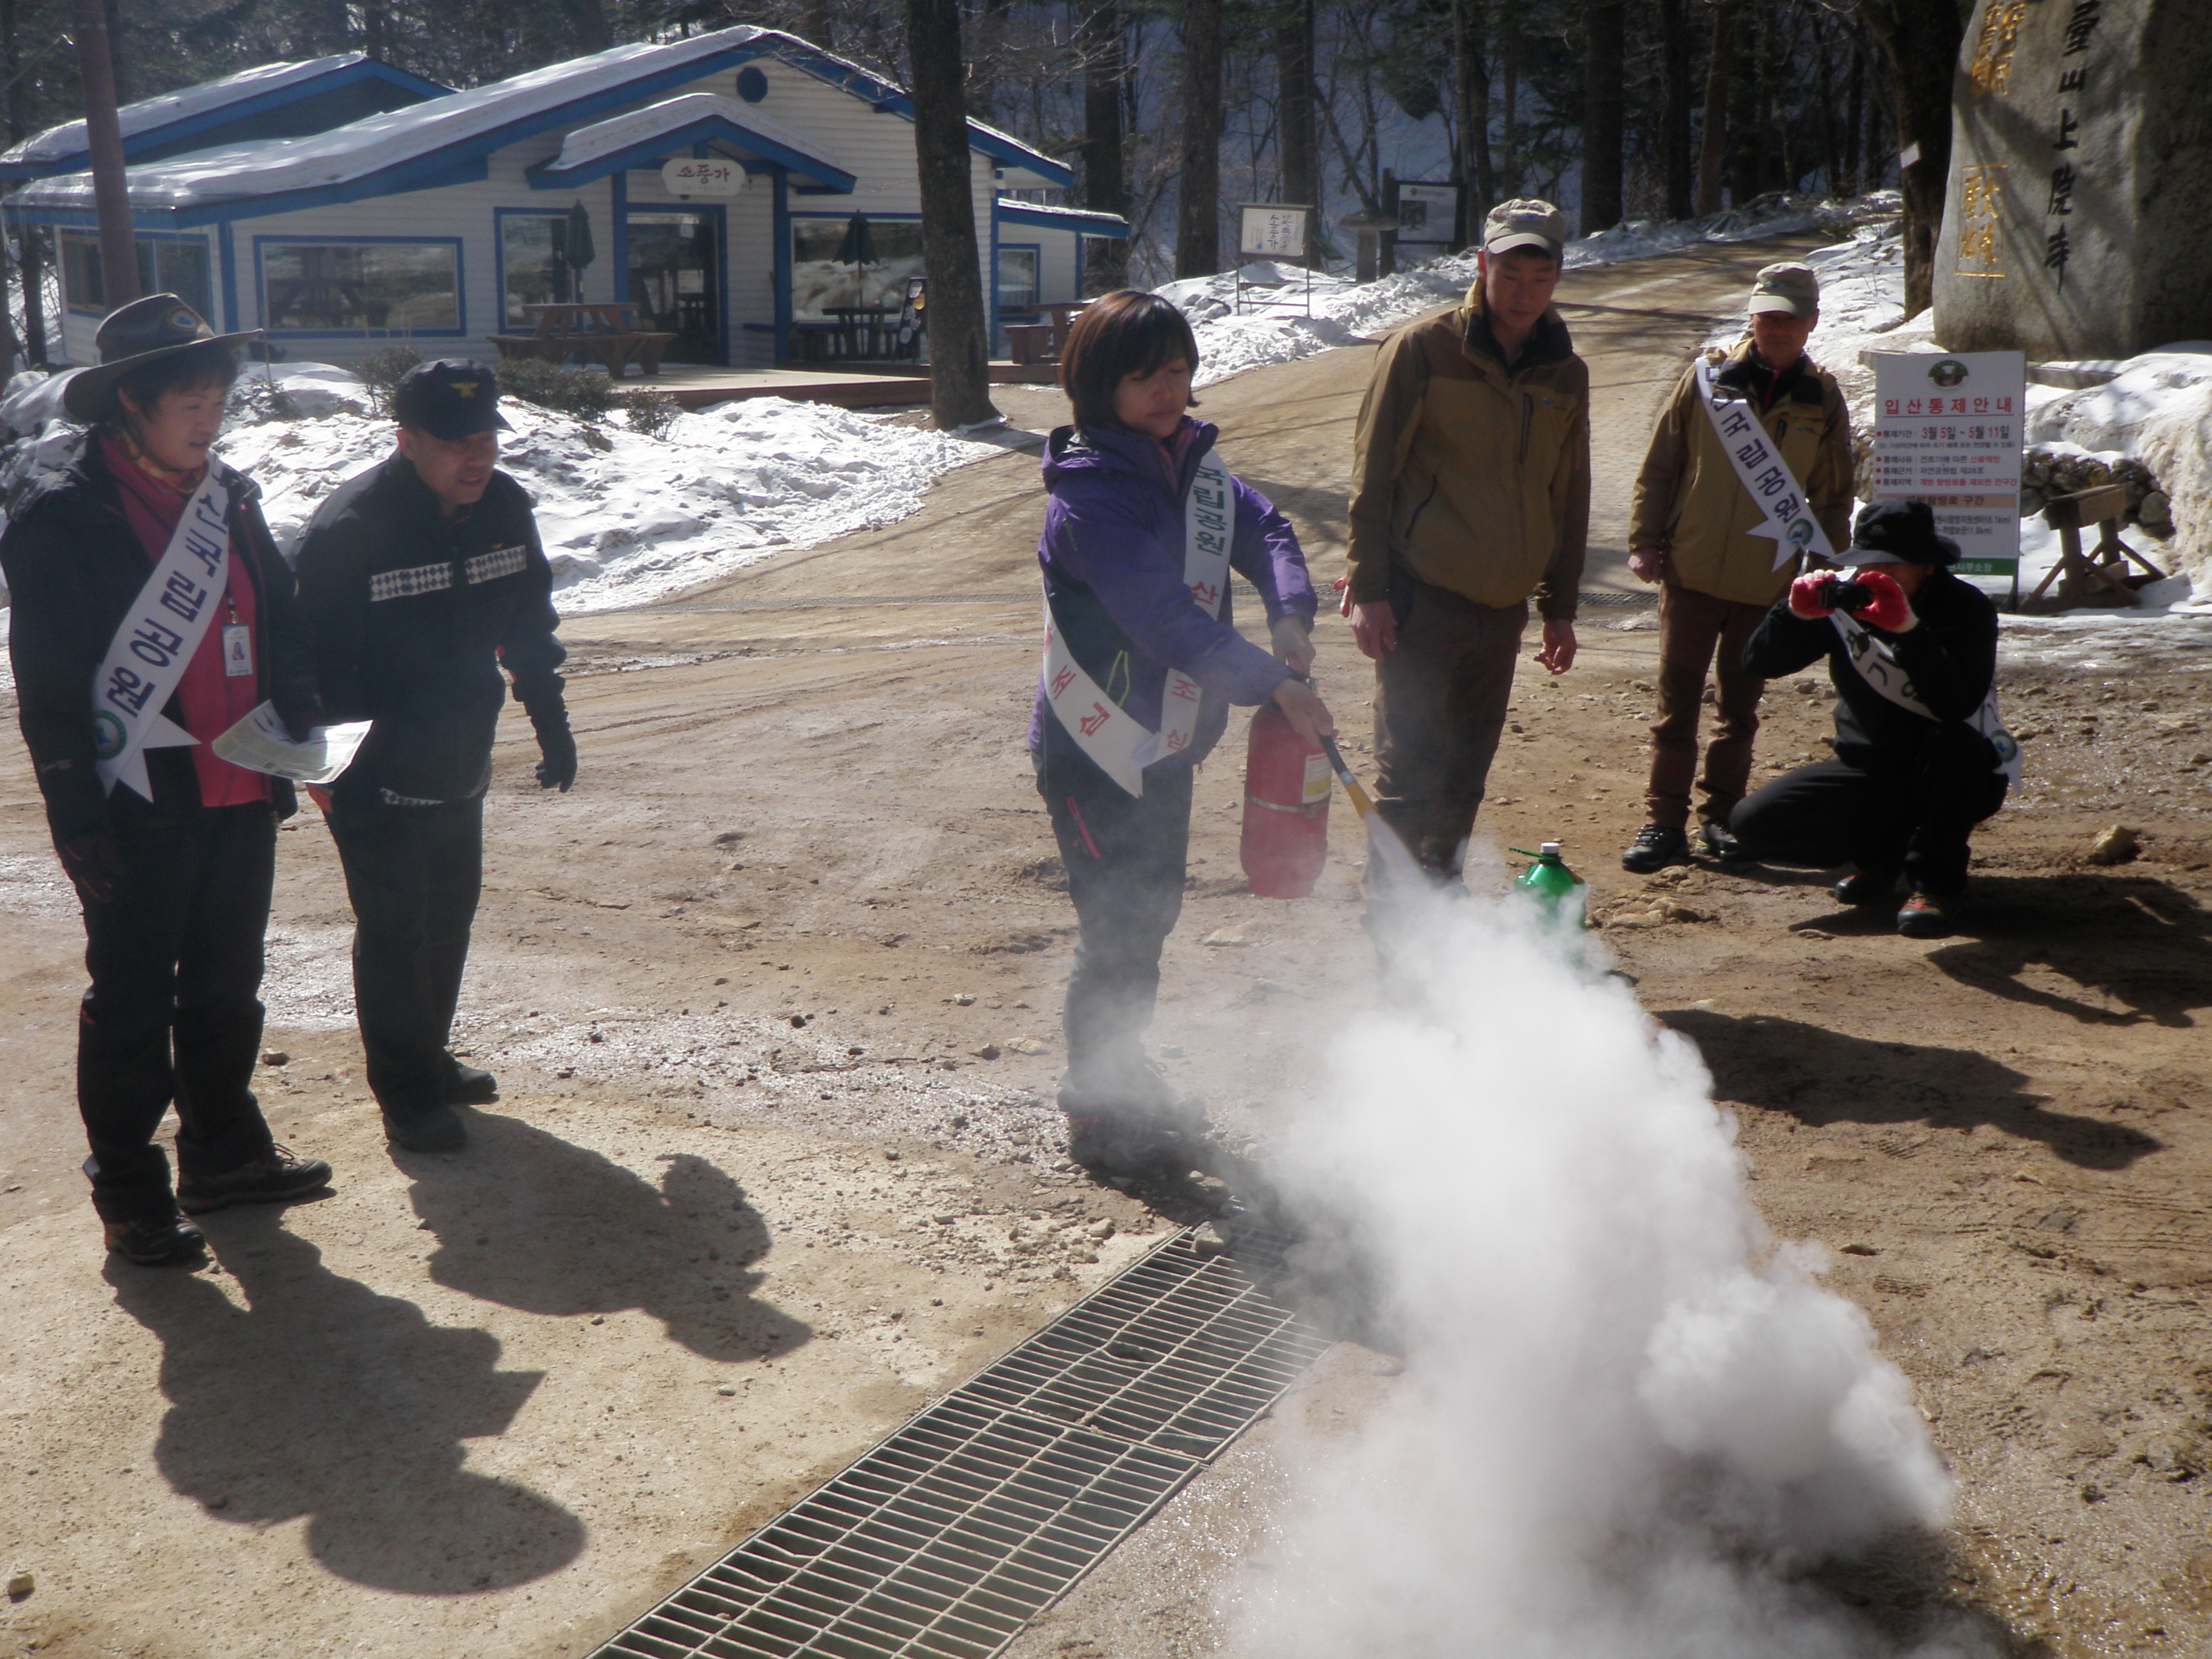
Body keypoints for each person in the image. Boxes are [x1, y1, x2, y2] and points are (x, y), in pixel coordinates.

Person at [1, 295, 333, 1265]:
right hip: (135, 799)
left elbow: (281, 613)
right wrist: (75, 813)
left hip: (239, 783)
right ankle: (131, 1193)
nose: (208, 417)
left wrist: (300, 702)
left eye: (216, 398)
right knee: (134, 1002)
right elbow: (50, 684)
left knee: (229, 988)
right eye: (189, 401)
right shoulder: (66, 515)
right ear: (131, 405)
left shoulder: (230, 497)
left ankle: (223, 1156)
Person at [1032, 290, 1329, 1178]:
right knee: (1116, 927)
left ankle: (1125, 1071)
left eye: (1177, 369)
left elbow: (1265, 527)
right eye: (1144, 375)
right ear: (1099, 386)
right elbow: (1163, 622)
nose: (1168, 389)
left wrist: (1289, 611)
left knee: (1150, 914)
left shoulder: (1190, 465)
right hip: (1095, 752)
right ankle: (1098, 1104)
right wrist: (1272, 685)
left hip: (1169, 743)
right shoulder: (1090, 498)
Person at [292, 361, 575, 1155]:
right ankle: (406, 1094)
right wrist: (331, 777)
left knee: (449, 914)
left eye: (485, 437)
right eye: (454, 441)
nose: (475, 455)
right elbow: (306, 662)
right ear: (407, 440)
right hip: (370, 771)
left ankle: (428, 1057)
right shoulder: (351, 528)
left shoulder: (504, 509)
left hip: (458, 756)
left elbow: (528, 622)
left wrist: (550, 718)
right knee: (395, 926)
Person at [1342, 198, 1589, 882]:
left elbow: (1568, 493)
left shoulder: (1565, 372)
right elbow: (1372, 475)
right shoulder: (1422, 350)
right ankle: (1396, 922)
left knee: (1466, 775)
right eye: (1510, 274)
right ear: (1482, 266)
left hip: (1503, 609)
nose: (1523, 293)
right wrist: (1369, 588)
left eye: (1540, 278)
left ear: (1557, 277)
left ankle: (1443, 912)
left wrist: (1559, 607)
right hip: (1422, 598)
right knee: (1407, 776)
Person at [1620, 261, 1855, 871]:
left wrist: (1827, 572)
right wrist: (1645, 539)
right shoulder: (1707, 380)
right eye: (1767, 316)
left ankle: (1721, 820)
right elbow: (1661, 465)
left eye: (1790, 319)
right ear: (1751, 317)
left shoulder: (1822, 398)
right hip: (1690, 572)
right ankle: (1662, 823)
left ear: (1812, 323)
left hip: (1765, 582)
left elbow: (1833, 496)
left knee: (1739, 712)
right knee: (1675, 708)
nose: (1777, 328)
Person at [1728, 500, 2017, 939]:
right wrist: (1791, 615)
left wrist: (1909, 632)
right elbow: (1760, 663)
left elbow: (1956, 704)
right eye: (1869, 563)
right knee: (1754, 823)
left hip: (1958, 770)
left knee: (1953, 747)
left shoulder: (1965, 607)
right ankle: (1882, 859)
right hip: (1871, 764)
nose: (1879, 574)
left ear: (1927, 566)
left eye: (1895, 565)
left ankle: (1936, 886)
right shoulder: (1844, 601)